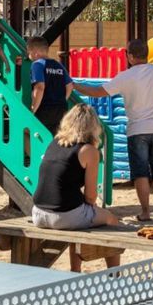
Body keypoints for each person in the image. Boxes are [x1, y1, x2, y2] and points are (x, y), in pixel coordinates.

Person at [75, 39, 153, 222]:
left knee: (140, 172)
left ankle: (145, 212)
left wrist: (74, 85)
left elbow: (98, 92)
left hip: (137, 129)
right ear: (147, 53)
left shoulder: (125, 76)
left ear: (130, 56)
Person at [31, 104, 124, 272]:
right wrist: (93, 207)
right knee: (112, 220)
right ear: (93, 126)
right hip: (63, 216)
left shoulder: (54, 143)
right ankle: (114, 274)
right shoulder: (89, 151)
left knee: (79, 211)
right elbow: (91, 196)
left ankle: (75, 271)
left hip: (38, 213)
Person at [28, 36, 72, 134]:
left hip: (45, 108)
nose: (28, 55)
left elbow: (40, 87)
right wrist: (61, 100)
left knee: (33, 134)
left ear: (35, 53)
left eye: (29, 52)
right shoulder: (58, 65)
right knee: (56, 136)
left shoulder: (37, 64)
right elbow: (70, 85)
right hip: (61, 108)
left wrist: (33, 109)